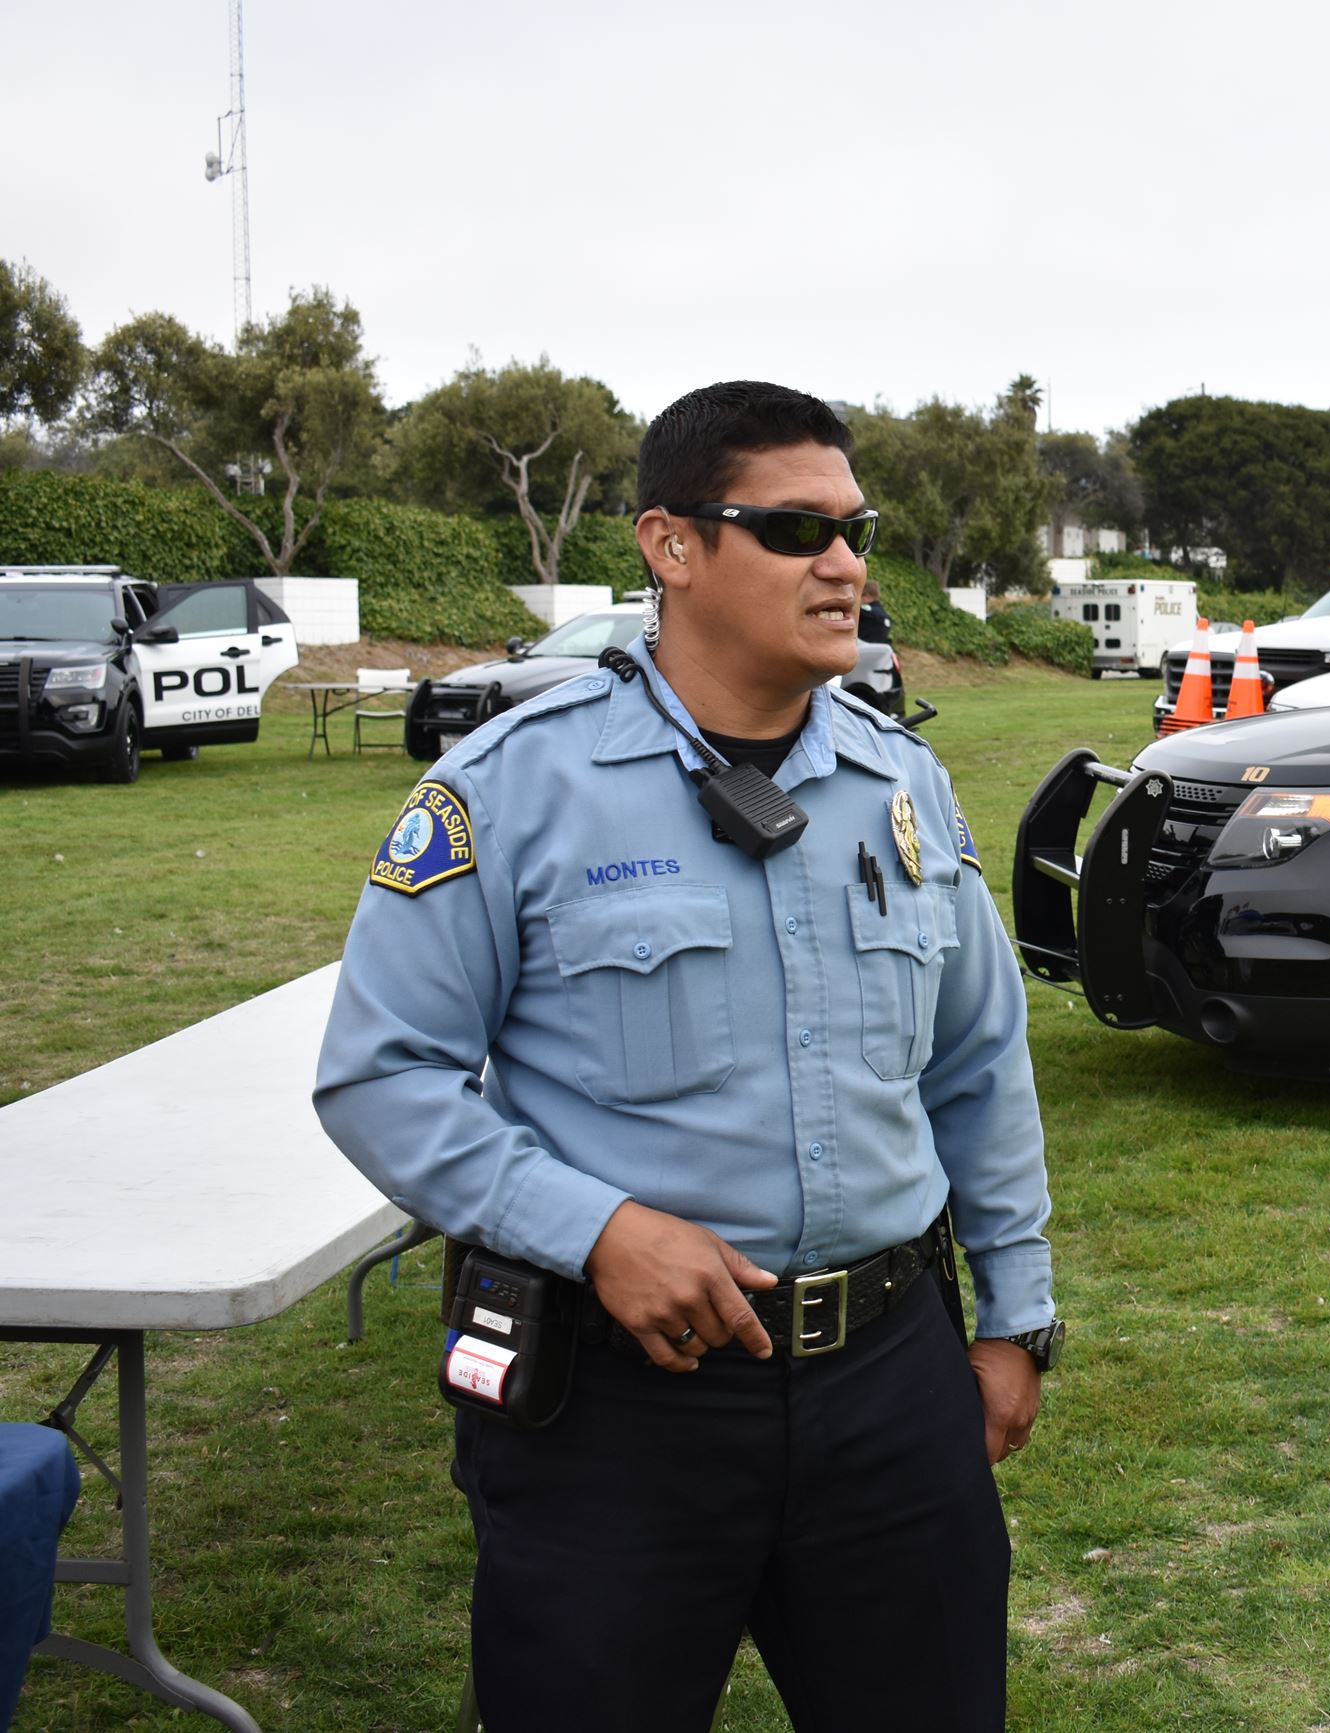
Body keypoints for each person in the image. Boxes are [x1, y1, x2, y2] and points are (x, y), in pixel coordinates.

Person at [314, 380, 1063, 1733]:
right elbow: (384, 1071)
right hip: (618, 1410)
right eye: (795, 530)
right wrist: (595, 1227)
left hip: (889, 1386)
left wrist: (1015, 1313)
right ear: (671, 546)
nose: (846, 565)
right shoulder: (515, 787)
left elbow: (979, 1064)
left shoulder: (903, 786)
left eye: (856, 528)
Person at [857, 573, 892, 644]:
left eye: (860, 595)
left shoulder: (865, 610)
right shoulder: (885, 615)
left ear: (866, 595)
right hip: (878, 650)